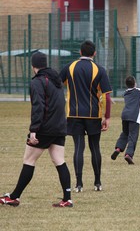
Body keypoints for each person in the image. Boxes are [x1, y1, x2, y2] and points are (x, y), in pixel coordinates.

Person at [0, 52, 72, 207]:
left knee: (29, 160)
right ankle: (67, 199)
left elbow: (38, 107)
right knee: (59, 160)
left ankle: (14, 197)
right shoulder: (56, 80)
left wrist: (34, 131)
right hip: (60, 127)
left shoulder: (38, 82)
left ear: (33, 66)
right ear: (45, 64)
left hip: (45, 128)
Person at [59, 40, 112, 193]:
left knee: (79, 148)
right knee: (95, 147)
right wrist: (106, 117)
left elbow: (57, 83)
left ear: (80, 52)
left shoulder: (70, 67)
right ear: (94, 53)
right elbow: (107, 97)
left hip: (74, 114)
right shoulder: (99, 69)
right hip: (93, 115)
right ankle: (97, 182)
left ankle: (79, 184)